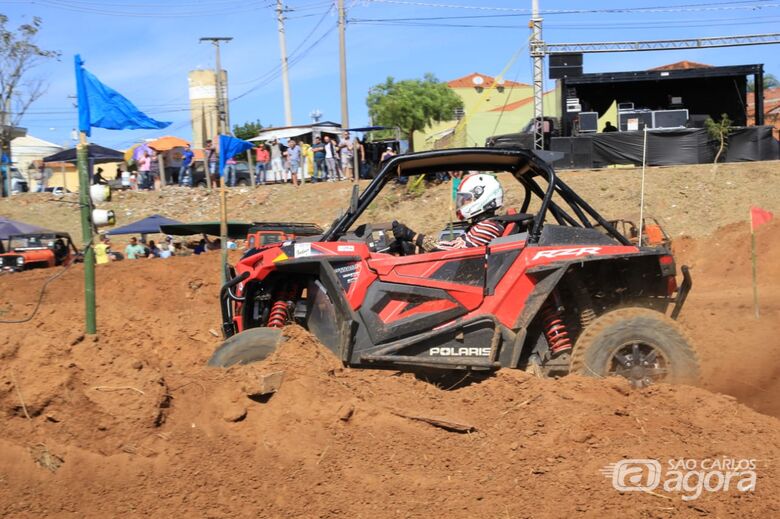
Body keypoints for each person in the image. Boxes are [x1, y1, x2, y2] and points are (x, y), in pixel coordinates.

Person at [392, 173, 505, 253]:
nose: (463, 203)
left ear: (482, 197)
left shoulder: (487, 228)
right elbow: (453, 245)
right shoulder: (482, 225)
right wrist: (417, 248)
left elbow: (452, 251)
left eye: (466, 199)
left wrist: (413, 236)